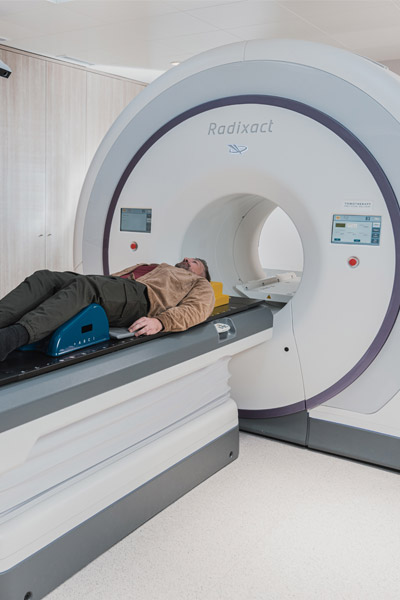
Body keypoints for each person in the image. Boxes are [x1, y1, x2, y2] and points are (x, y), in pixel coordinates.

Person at [0, 257, 214, 362]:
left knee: (86, 286)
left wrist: (160, 322)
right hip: (111, 285)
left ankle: (11, 338)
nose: (187, 259)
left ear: (201, 274)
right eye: (187, 257)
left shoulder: (199, 283)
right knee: (45, 277)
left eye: (194, 261)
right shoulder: (155, 265)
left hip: (141, 298)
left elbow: (197, 309)